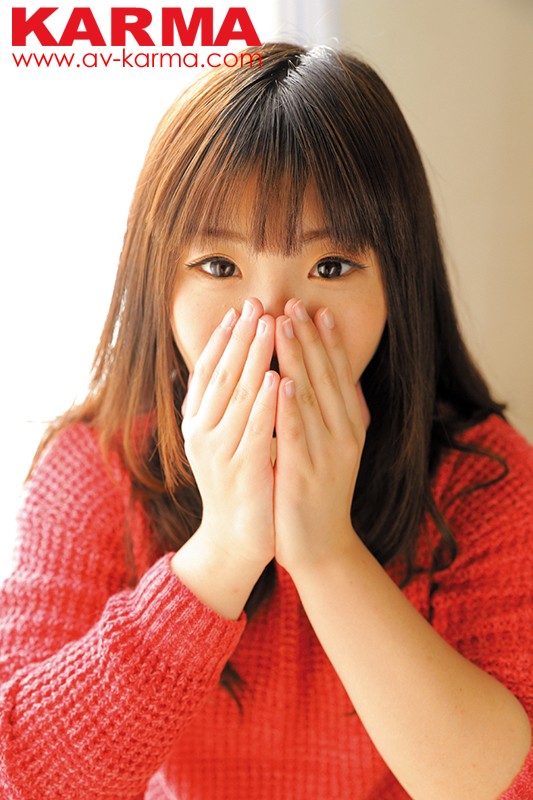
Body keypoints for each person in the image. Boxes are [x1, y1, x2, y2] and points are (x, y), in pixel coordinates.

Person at [0, 42, 531, 800]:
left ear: (397, 282)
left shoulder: (481, 478)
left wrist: (326, 553)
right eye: (220, 267)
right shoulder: (95, 468)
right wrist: (222, 551)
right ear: (158, 282)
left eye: (329, 268)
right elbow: (21, 776)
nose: (275, 321)